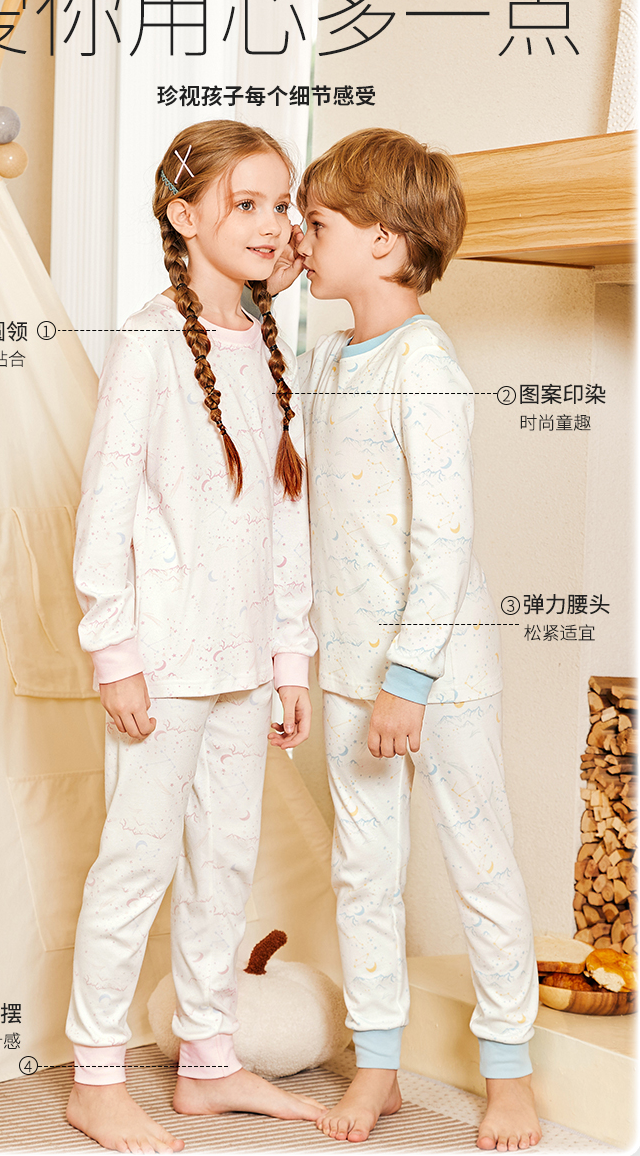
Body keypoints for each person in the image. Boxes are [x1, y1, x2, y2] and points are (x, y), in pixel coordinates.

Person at [65, 120, 324, 1153]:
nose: (271, 222)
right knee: (134, 866)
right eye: (246, 204)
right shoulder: (146, 342)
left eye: (281, 203)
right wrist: (114, 652)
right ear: (183, 216)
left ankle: (209, 1064)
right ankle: (95, 1077)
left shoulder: (262, 343)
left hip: (246, 662)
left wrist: (292, 657)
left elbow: (284, 517)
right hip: (165, 663)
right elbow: (105, 505)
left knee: (225, 864)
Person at [293, 128, 541, 1150]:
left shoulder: (424, 366)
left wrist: (409, 678)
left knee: (480, 862)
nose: (299, 240)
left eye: (316, 225)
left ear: (386, 243)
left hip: (438, 673)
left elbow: (445, 539)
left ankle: (510, 1075)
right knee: (364, 873)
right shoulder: (326, 358)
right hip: (350, 671)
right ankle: (379, 1065)